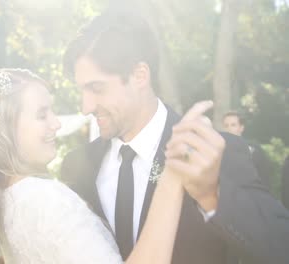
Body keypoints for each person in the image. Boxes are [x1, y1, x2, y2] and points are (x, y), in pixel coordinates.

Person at [61, 12, 289, 264]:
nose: (85, 106)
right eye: (81, 90)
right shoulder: (76, 167)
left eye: (97, 88)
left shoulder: (218, 151)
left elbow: (281, 248)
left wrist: (212, 195)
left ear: (139, 76)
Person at [0, 68, 225, 264]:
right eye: (42, 114)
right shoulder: (46, 200)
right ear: (5, 130)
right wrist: (172, 176)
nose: (56, 123)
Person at [222, 111, 272, 188]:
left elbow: (264, 176)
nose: (229, 128)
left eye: (233, 125)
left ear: (241, 128)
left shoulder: (254, 149)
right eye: (226, 126)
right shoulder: (218, 150)